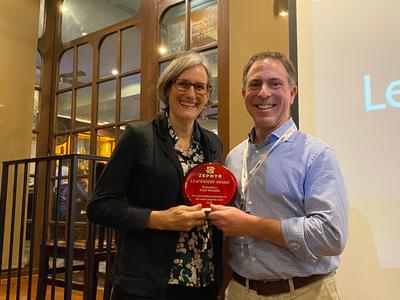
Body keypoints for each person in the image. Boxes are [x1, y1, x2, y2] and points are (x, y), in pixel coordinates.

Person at [208, 51, 348, 300]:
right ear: (244, 94)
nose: (263, 93)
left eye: (275, 83)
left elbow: (330, 237)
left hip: (305, 292)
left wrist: (250, 225)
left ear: (292, 93)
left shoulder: (316, 155)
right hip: (241, 291)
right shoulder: (234, 157)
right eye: (255, 84)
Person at [86, 52, 223, 300]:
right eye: (183, 84)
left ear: (207, 94)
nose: (192, 94)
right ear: (168, 88)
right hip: (148, 282)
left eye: (200, 87)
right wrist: (157, 219)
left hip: (203, 278)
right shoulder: (139, 136)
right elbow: (99, 206)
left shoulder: (213, 143)